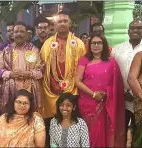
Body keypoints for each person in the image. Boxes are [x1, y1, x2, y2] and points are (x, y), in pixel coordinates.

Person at [40, 11, 86, 146]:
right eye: (59, 21)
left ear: (70, 24)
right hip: (51, 90)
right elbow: (42, 66)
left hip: (73, 88)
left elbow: (83, 67)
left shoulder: (78, 44)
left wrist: (72, 84)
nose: (62, 24)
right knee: (52, 122)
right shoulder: (47, 44)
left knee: (72, 119)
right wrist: (53, 82)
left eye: (65, 21)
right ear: (54, 25)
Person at [75, 33, 126, 147]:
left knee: (106, 131)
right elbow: (77, 81)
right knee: (89, 134)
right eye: (93, 43)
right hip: (88, 103)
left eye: (99, 43)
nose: (96, 45)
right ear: (89, 45)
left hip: (107, 103)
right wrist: (93, 94)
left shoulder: (111, 61)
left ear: (104, 45)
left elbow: (116, 84)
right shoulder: (84, 60)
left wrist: (107, 94)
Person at [112, 20, 142, 135]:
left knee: (139, 131)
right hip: (121, 96)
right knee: (120, 130)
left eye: (139, 28)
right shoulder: (117, 49)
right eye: (133, 28)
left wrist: (136, 93)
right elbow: (113, 73)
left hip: (141, 97)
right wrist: (124, 92)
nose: (135, 30)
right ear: (128, 31)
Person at [0, 21, 44, 112]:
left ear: (27, 34)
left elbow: (41, 70)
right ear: (12, 35)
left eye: (22, 32)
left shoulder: (34, 50)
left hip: (30, 89)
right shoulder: (6, 51)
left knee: (29, 115)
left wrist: (29, 74)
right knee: (12, 115)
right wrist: (10, 74)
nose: (19, 34)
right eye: (16, 32)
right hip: (11, 89)